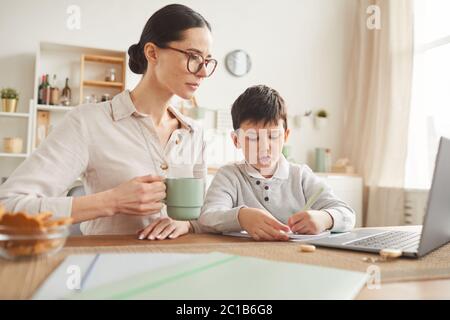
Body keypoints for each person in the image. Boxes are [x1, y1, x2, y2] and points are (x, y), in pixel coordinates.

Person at [0, 4, 217, 237]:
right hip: (106, 268)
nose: (203, 72)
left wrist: (187, 225)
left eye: (207, 61)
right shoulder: (88, 122)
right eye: (193, 57)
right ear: (152, 53)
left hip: (179, 267)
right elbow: (8, 208)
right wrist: (111, 201)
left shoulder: (194, 133)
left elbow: (204, 216)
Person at [198, 85, 356, 241]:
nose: (264, 147)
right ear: (236, 140)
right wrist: (241, 217)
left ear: (286, 136)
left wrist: (325, 218)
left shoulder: (301, 176)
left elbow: (348, 214)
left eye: (273, 136)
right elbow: (208, 217)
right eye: (253, 138)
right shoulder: (229, 176)